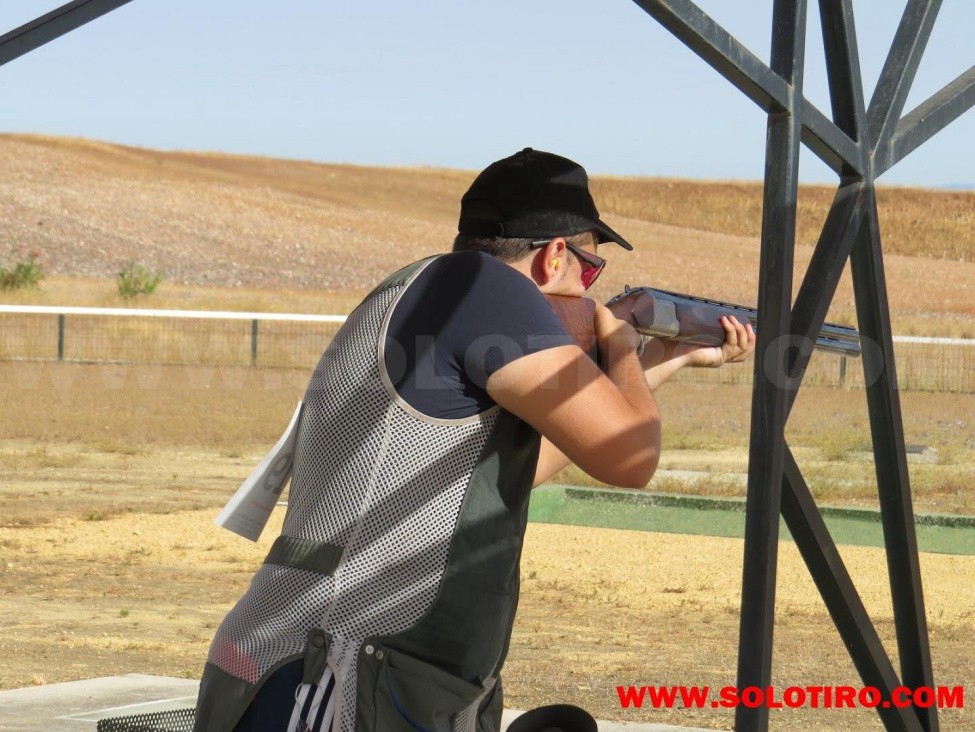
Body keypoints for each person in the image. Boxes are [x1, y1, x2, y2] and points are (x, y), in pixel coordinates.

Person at [192, 147, 754, 732]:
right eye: (589, 270)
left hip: (345, 667)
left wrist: (661, 360)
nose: (589, 289)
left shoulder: (437, 291)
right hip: (328, 674)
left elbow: (508, 473)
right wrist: (617, 341)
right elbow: (634, 459)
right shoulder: (483, 289)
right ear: (553, 255)